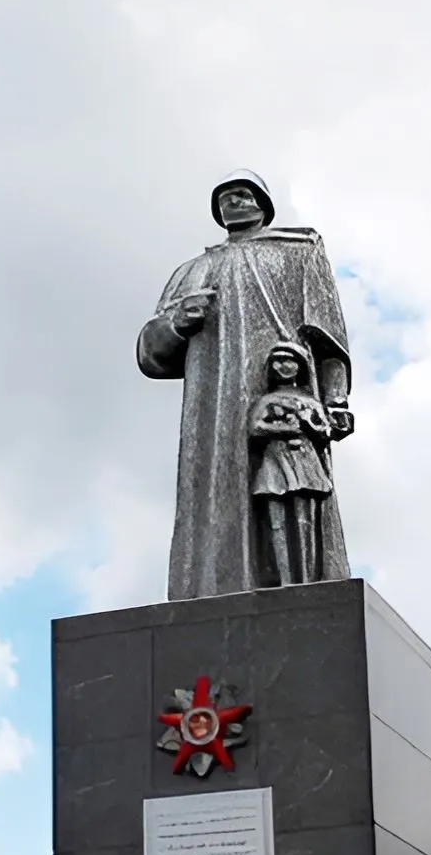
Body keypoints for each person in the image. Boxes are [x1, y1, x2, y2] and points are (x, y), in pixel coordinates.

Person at [137, 175, 354, 598]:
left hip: (280, 399)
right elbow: (150, 353)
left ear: (264, 203)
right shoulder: (192, 271)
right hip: (211, 407)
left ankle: (294, 586)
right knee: (216, 495)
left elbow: (329, 338)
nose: (234, 201)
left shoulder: (297, 252)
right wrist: (177, 324)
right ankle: (212, 591)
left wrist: (336, 399)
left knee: (290, 500)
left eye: (243, 193)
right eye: (224, 197)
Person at [248, 341, 335, 587]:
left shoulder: (310, 401)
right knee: (277, 523)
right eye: (278, 361)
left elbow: (325, 431)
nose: (283, 366)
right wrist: (288, 428)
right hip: (276, 463)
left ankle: (307, 579)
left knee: (304, 522)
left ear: (300, 366)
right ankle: (284, 580)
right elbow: (256, 427)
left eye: (289, 361)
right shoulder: (268, 400)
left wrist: (309, 422)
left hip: (305, 464)